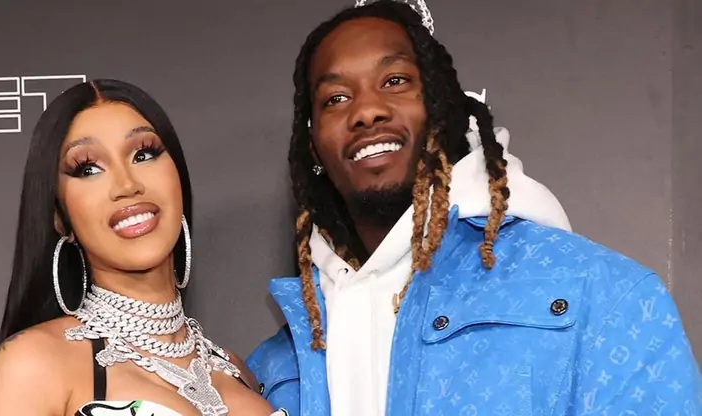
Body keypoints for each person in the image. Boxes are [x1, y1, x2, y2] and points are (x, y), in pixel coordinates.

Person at [246, 1, 702, 415]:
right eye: (336, 98)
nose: (367, 111)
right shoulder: (272, 370)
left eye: (395, 81)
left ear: (443, 107)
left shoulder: (605, 296)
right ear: (313, 147)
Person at [0, 79, 287, 416]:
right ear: (60, 218)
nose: (127, 185)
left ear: (178, 179)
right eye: (88, 169)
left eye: (143, 154)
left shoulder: (238, 372)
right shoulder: (33, 365)